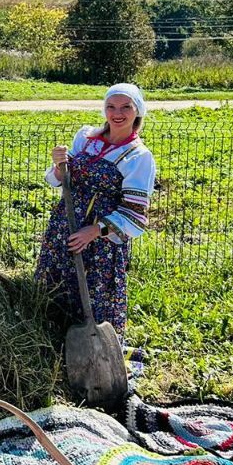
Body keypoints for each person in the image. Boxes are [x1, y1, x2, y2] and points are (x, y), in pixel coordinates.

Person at [35, 83, 157, 340]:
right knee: (54, 288)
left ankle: (94, 350)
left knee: (91, 296)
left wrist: (93, 231)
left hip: (100, 243)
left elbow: (135, 215)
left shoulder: (138, 157)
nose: (117, 113)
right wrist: (59, 166)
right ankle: (49, 345)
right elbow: (61, 180)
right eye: (111, 106)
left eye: (126, 107)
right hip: (64, 228)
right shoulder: (86, 138)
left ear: (138, 111)